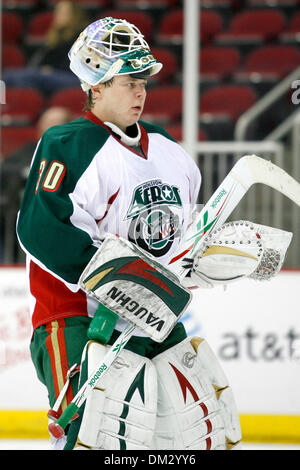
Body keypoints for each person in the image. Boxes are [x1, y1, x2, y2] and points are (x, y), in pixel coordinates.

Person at [17, 17, 242, 450]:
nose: (140, 90)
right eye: (127, 81)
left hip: (154, 320)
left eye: (143, 80)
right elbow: (40, 229)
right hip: (80, 317)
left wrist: (209, 255)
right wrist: (122, 279)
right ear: (95, 86)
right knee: (93, 435)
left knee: (187, 435)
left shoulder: (168, 149)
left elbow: (185, 233)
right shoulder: (68, 144)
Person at [1, 107, 73, 263]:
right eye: (44, 123)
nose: (46, 128)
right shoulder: (30, 149)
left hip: (61, 219)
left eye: (53, 124)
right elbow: (6, 168)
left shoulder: (74, 153)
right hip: (22, 213)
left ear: (66, 127)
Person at [3, 1, 88, 94]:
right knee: (8, 75)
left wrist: (51, 69)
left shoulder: (82, 36)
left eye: (63, 12)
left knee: (28, 78)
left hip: (71, 77)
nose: (58, 16)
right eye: (57, 12)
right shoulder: (57, 36)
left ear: (75, 15)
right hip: (51, 74)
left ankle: (25, 104)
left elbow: (77, 63)